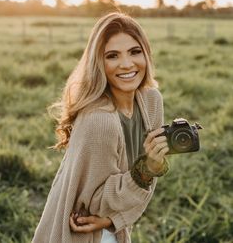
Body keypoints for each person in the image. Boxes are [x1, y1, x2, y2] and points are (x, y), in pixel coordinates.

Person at [32, 12, 169, 243]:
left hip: (114, 226)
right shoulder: (100, 121)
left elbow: (146, 183)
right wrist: (149, 169)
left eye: (135, 52)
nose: (127, 64)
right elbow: (94, 204)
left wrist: (114, 219)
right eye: (112, 56)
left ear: (146, 54)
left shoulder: (151, 101)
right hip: (86, 234)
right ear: (99, 63)